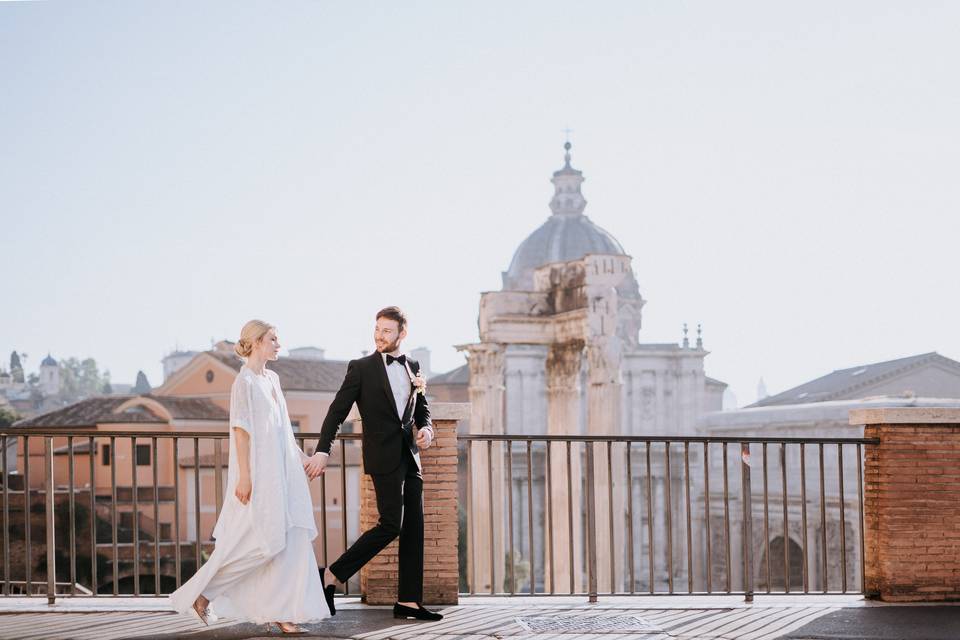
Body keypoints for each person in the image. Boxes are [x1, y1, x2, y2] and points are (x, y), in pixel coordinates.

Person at [169, 320, 330, 633]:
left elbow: (284, 431)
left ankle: (283, 613)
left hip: (284, 475)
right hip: (261, 474)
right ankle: (201, 594)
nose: (278, 344)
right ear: (256, 342)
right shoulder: (243, 383)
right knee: (261, 543)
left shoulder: (273, 379)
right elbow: (241, 432)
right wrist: (245, 477)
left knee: (290, 540)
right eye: (273, 338)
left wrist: (302, 459)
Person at [303, 306, 443, 621]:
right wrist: (323, 450)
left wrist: (428, 429)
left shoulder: (413, 365)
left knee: (414, 528)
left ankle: (408, 601)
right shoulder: (361, 368)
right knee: (391, 523)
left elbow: (421, 408)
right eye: (377, 329)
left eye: (387, 331)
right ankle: (332, 575)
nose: (380, 335)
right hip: (383, 456)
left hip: (411, 456)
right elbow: (336, 412)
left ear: (402, 334)